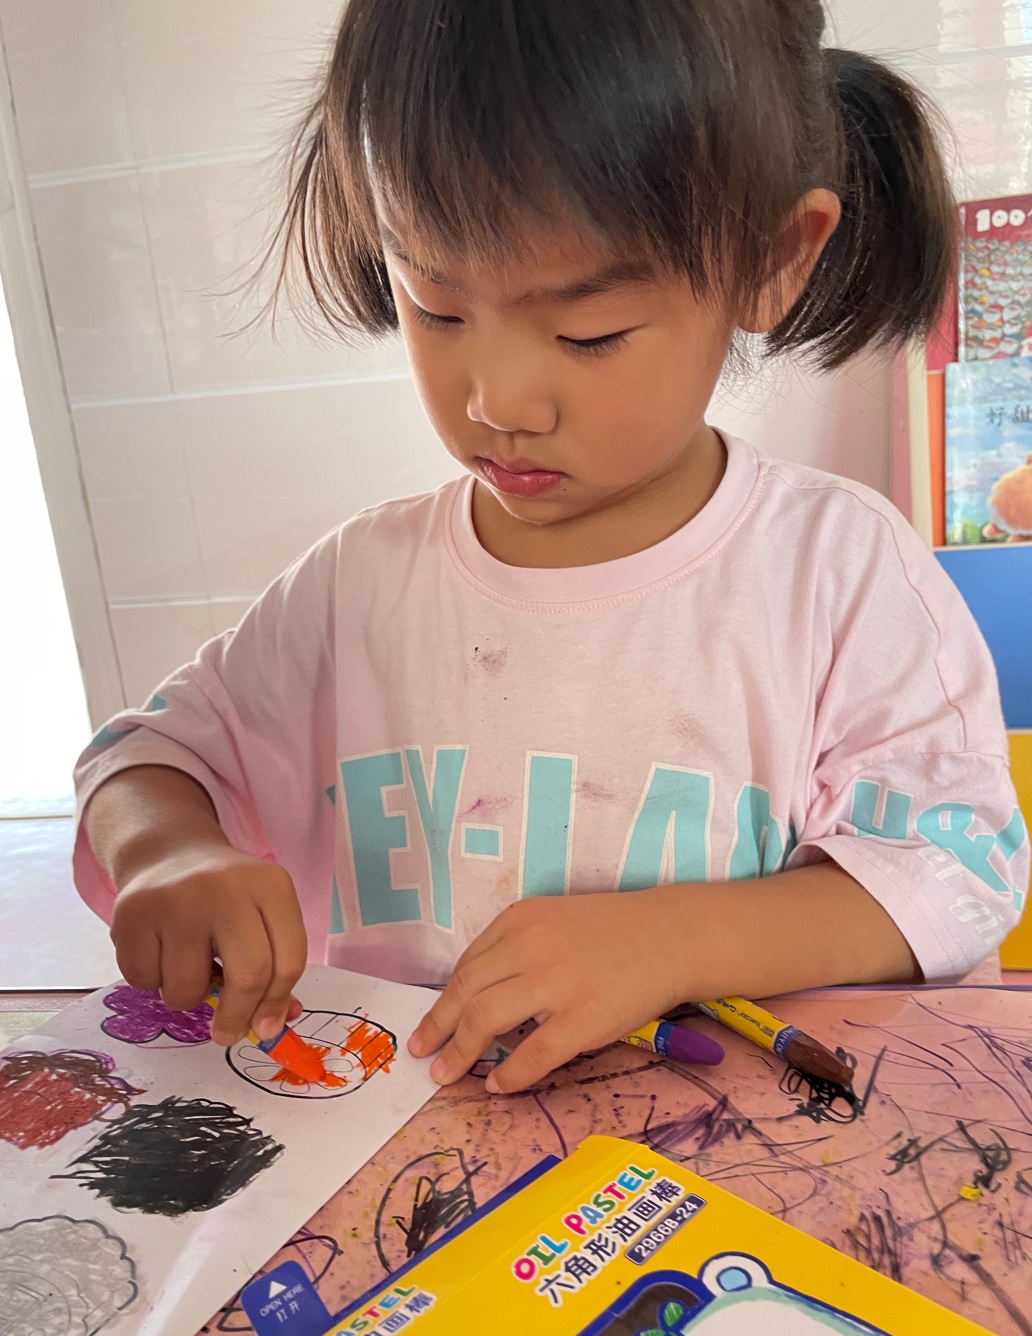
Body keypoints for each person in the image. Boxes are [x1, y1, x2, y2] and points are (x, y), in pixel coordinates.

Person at [74, 0, 1028, 1096]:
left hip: (713, 1165)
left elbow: (956, 873)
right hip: (405, 1154)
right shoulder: (356, 589)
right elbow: (145, 759)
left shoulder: (838, 571)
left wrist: (675, 941)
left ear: (775, 259)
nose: (499, 400)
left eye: (589, 333)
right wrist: (169, 851)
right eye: (436, 306)